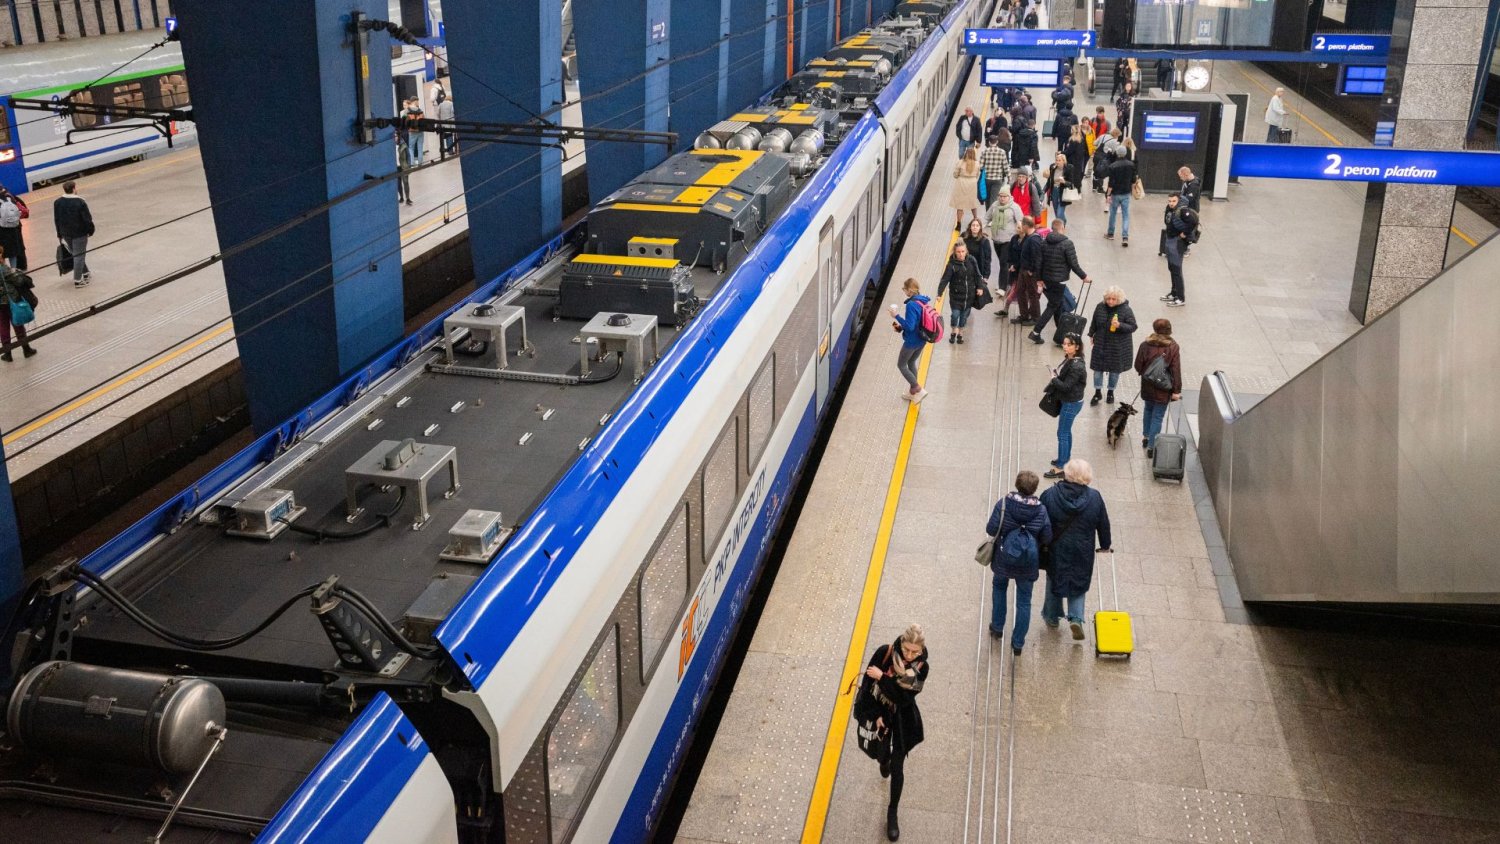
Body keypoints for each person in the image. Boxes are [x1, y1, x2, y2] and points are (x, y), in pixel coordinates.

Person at [860, 623, 928, 842]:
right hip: (881, 714)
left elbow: (903, 698)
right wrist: (875, 715)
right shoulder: (885, 653)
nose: (909, 655)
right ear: (901, 642)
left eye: (915, 652)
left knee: (898, 768)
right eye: (907, 649)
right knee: (882, 756)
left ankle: (892, 812)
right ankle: (884, 761)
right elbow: (866, 686)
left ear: (921, 649)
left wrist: (883, 677)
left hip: (902, 720)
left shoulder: (922, 668)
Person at [1039, 459, 1112, 639]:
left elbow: (1040, 521)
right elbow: (1103, 524)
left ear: (1066, 473)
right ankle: (1076, 618)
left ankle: (1052, 616)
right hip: (1083, 549)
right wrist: (1105, 545)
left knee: (1054, 578)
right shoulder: (1095, 497)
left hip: (1056, 548)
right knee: (1079, 580)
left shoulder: (1050, 495)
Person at [986, 471, 1052, 655]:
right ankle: (1018, 643)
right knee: (1024, 601)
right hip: (1028, 561)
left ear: (1017, 484)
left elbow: (991, 528)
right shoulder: (1041, 510)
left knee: (999, 587)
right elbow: (1047, 536)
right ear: (1035, 489)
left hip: (1003, 557)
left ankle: (997, 627)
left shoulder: (1004, 504)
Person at [1030, 218, 1090, 344]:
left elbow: (1038, 263)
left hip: (1046, 280)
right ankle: (1036, 332)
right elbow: (1073, 264)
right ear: (1062, 228)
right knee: (1052, 306)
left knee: (1057, 305)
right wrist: (1084, 276)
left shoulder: (1044, 242)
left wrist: (1039, 279)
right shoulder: (1067, 243)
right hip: (1059, 282)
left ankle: (1061, 335)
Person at [1134, 318, 1183, 456]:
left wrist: (1147, 374)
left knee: (1148, 409)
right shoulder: (1173, 346)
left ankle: (1146, 437)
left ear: (1154, 329)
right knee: (1158, 416)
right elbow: (1175, 369)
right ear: (1169, 330)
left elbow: (1138, 365)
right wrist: (1176, 390)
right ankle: (1152, 446)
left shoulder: (1145, 344)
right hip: (1164, 387)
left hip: (1147, 384)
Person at [1044, 333, 1087, 479]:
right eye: (1064, 344)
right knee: (1066, 432)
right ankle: (1065, 458)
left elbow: (1066, 386)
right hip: (1070, 401)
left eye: (1069, 344)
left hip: (1071, 403)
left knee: (1062, 433)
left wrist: (1054, 379)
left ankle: (1061, 467)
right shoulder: (1071, 359)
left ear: (1077, 347)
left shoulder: (1076, 366)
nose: (1065, 347)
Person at [1086, 285, 1136, 405]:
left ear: (1119, 299)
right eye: (1108, 298)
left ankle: (1110, 392)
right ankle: (1098, 392)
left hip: (1116, 346)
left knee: (1114, 372)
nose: (1110, 301)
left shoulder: (1126, 310)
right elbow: (1094, 321)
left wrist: (1120, 325)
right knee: (1097, 370)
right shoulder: (1100, 307)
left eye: (1114, 299)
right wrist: (1091, 334)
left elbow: (1133, 326)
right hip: (1101, 343)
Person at [889, 278, 930, 402]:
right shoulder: (922, 301)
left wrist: (896, 316)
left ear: (910, 290)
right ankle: (912, 392)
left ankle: (918, 388)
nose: (904, 291)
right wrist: (900, 327)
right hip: (922, 339)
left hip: (911, 342)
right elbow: (917, 322)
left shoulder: (911, 305)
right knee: (911, 362)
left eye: (904, 289)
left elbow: (910, 326)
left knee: (901, 365)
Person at [938, 239, 983, 345]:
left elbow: (977, 275)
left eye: (963, 251)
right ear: (955, 252)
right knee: (955, 315)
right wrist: (939, 293)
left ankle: (960, 333)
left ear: (966, 251)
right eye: (958, 252)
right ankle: (954, 329)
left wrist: (980, 287)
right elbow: (945, 279)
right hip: (956, 297)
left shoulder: (972, 260)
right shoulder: (951, 265)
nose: (961, 254)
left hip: (969, 296)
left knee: (964, 317)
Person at [53, 180, 94, 287]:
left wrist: (59, 233)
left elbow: (56, 219)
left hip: (65, 233)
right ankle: (77, 280)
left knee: (76, 254)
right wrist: (90, 230)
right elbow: (87, 219)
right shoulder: (80, 202)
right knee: (79, 256)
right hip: (79, 233)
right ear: (74, 189)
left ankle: (86, 273)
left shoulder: (57, 202)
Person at [988, 191, 1022, 311]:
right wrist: (981, 227)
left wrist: (1019, 233)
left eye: (1004, 196)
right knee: (1003, 262)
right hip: (996, 239)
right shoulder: (995, 205)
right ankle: (1007, 282)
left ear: (1009, 197)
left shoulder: (1014, 207)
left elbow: (1020, 221)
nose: (1002, 198)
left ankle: (1002, 287)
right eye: (1000, 196)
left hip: (1008, 239)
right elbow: (987, 217)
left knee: (1004, 262)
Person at [0, 251, 37, 361]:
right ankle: (26, 349)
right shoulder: (3, 268)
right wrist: (17, 272)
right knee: (18, 324)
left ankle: (7, 353)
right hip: (10, 301)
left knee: (3, 327)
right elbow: (18, 281)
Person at [1163, 200, 1197, 306]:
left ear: (1178, 200)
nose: (1171, 203)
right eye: (1169, 201)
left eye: (1174, 201)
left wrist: (1185, 233)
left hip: (1177, 243)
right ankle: (1174, 293)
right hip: (1170, 240)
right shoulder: (1170, 209)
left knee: (1176, 270)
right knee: (1172, 268)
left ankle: (1180, 298)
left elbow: (1193, 222)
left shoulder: (1182, 210)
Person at [1011, 215, 1044, 325]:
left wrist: (1032, 270)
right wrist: (1016, 266)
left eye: (1022, 225)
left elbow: (1037, 258)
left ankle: (1035, 317)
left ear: (1026, 226)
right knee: (1020, 292)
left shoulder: (1034, 239)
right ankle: (1024, 315)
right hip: (1023, 270)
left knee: (1032, 295)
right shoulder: (1027, 237)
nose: (1021, 227)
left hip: (1030, 272)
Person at [1104, 149, 1138, 245]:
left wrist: (1108, 195)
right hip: (1126, 193)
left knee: (1113, 214)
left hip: (1115, 193)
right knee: (1126, 215)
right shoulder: (1131, 165)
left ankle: (1110, 233)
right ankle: (1125, 237)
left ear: (1117, 154)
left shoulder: (1113, 166)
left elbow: (1111, 183)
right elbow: (1133, 180)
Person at [950, 146, 984, 230]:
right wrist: (973, 179)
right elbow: (977, 175)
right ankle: (975, 219)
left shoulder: (960, 162)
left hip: (961, 183)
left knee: (960, 205)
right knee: (973, 203)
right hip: (972, 183)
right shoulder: (977, 164)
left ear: (965, 154)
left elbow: (955, 174)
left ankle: (959, 224)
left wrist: (959, 176)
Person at [1042, 152, 1077, 226]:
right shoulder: (1052, 167)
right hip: (1054, 192)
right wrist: (1043, 191)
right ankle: (1063, 221)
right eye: (1056, 160)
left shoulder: (1069, 168)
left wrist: (1064, 182)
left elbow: (1071, 183)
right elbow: (1049, 181)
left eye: (1059, 160)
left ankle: (1061, 227)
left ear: (1064, 161)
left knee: (1059, 213)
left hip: (1062, 193)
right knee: (1056, 211)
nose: (1057, 162)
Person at [962, 218, 994, 290]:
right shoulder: (964, 237)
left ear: (980, 228)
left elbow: (987, 260)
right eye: (973, 225)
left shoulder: (984, 241)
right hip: (965, 269)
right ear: (970, 227)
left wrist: (986, 276)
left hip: (978, 271)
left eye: (977, 225)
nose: (975, 227)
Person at [979, 136, 1009, 210]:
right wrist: (1009, 177)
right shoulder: (1002, 152)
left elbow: (980, 166)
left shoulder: (984, 151)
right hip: (997, 179)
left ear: (989, 142)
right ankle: (992, 214)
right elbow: (1005, 166)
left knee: (987, 198)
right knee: (994, 198)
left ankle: (988, 213)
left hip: (987, 179)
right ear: (997, 142)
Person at [0, 188, 27, 270]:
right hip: (13, 227)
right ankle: (14, 270)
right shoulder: (9, 196)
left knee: (1, 252)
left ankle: (3, 271)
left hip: (1, 230)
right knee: (13, 252)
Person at [402, 98, 425, 167]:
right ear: (415, 101)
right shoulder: (420, 110)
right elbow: (424, 120)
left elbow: (403, 121)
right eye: (417, 101)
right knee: (420, 147)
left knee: (411, 148)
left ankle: (412, 163)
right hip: (420, 131)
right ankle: (420, 163)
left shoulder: (407, 111)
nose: (418, 103)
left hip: (412, 131)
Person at [395, 132, 414, 206]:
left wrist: (409, 165)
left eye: (396, 136)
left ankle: (408, 198)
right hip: (396, 168)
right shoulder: (391, 146)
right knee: (398, 183)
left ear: (399, 136)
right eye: (394, 136)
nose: (395, 138)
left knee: (405, 182)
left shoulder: (403, 144)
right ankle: (401, 197)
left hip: (403, 166)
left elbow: (408, 156)